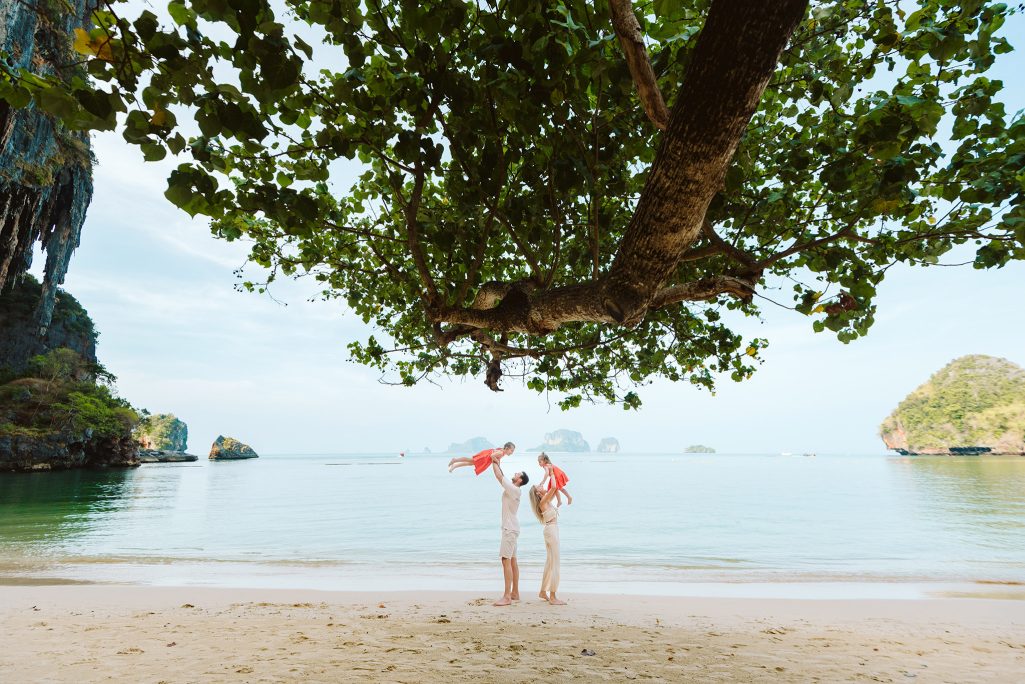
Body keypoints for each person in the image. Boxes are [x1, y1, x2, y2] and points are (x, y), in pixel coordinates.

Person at [491, 457, 529, 606]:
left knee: (505, 560)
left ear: (519, 480)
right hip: (512, 529)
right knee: (512, 561)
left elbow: (499, 477)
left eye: (517, 473)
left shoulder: (514, 489)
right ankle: (515, 593)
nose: (515, 473)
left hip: (509, 530)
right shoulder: (514, 489)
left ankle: (507, 597)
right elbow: (502, 475)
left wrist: (493, 461)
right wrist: (498, 463)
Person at [529, 483, 566, 605]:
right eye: (538, 486)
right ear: (538, 493)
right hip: (551, 530)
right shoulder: (543, 501)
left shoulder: (546, 500)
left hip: (551, 529)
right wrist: (550, 471)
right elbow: (554, 486)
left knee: (550, 561)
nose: (541, 484)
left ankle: (543, 591)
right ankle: (553, 596)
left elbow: (556, 489)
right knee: (555, 562)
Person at [448, 442, 516, 474]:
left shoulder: (502, 452)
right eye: (511, 450)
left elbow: (496, 456)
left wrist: (498, 462)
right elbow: (492, 456)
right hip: (485, 457)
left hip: (486, 456)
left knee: (470, 463)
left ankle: (455, 466)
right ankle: (455, 460)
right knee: (470, 460)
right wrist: (497, 461)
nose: (512, 452)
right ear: (506, 448)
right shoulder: (501, 453)